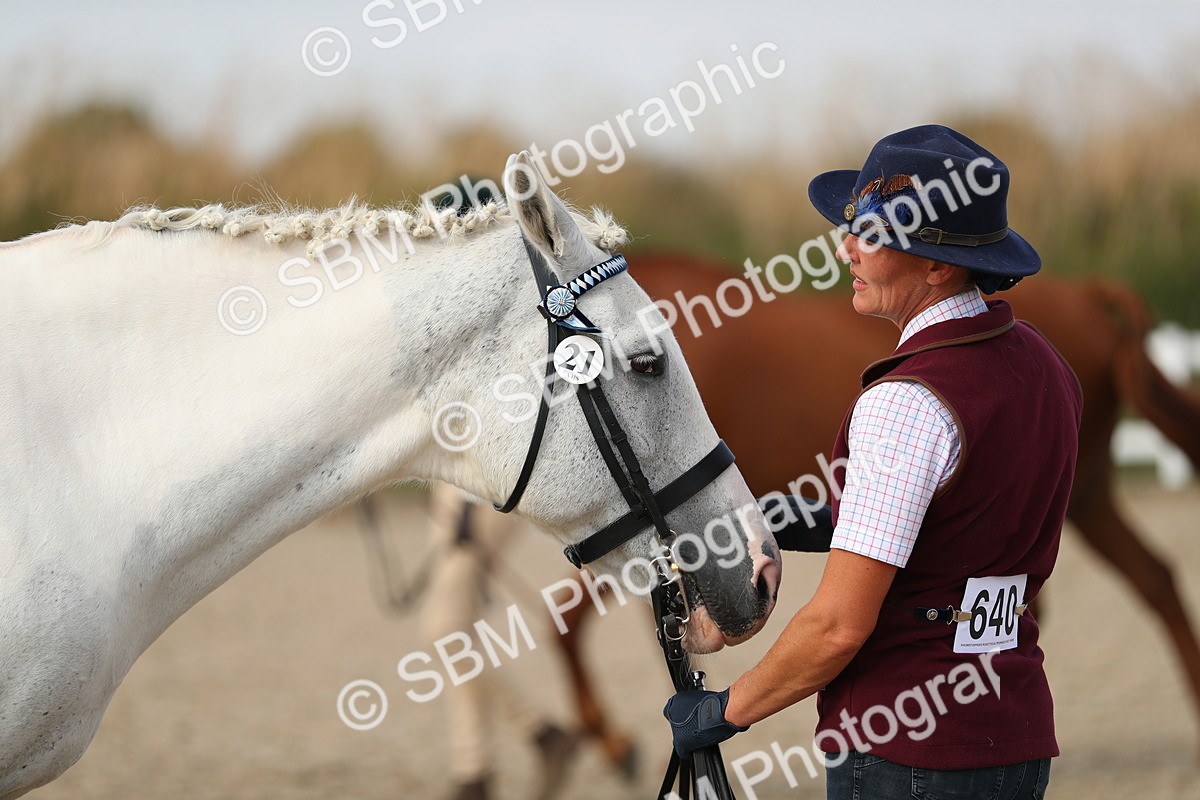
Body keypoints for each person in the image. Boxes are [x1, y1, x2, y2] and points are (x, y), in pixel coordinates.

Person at [664, 124, 1083, 799]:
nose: (846, 248)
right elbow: (963, 517)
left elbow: (836, 627)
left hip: (905, 747)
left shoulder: (905, 402)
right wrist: (816, 518)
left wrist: (725, 711)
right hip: (1016, 731)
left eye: (873, 235)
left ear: (937, 265)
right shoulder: (1043, 362)